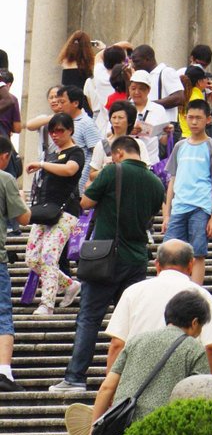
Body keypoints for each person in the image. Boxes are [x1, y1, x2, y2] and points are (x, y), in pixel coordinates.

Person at [52, 131, 166, 399]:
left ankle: (75, 377)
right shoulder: (155, 183)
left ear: (117, 153)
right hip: (137, 259)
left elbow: (86, 202)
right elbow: (150, 214)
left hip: (104, 259)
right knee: (133, 323)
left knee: (90, 318)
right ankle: (134, 378)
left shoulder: (111, 172)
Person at [83, 287, 212, 435]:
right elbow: (202, 397)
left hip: (121, 429)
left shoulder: (136, 341)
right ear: (195, 322)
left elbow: (107, 387)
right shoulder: (194, 349)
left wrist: (94, 431)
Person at [101, 239, 212, 377]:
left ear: (157, 265)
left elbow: (117, 344)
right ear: (191, 264)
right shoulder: (201, 295)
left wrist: (111, 390)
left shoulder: (133, 292)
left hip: (137, 381)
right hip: (184, 381)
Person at [27, 114, 86, 317]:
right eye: (52, 131)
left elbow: (71, 170)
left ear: (70, 130)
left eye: (60, 130)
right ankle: (69, 284)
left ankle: (47, 304)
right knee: (32, 258)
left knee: (49, 256)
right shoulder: (52, 155)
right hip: (45, 211)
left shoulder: (76, 152)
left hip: (66, 211)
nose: (55, 135)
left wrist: (42, 165)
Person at [160, 97, 212, 279]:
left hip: (200, 207)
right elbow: (172, 180)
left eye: (199, 118)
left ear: (208, 119)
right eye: (190, 117)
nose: (194, 122)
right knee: (169, 252)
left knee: (198, 253)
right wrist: (166, 214)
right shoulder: (180, 146)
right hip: (179, 206)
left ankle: (195, 293)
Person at [0, 135, 25, 386]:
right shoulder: (5, 178)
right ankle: (4, 370)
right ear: (5, 156)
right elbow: (24, 217)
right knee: (2, 312)